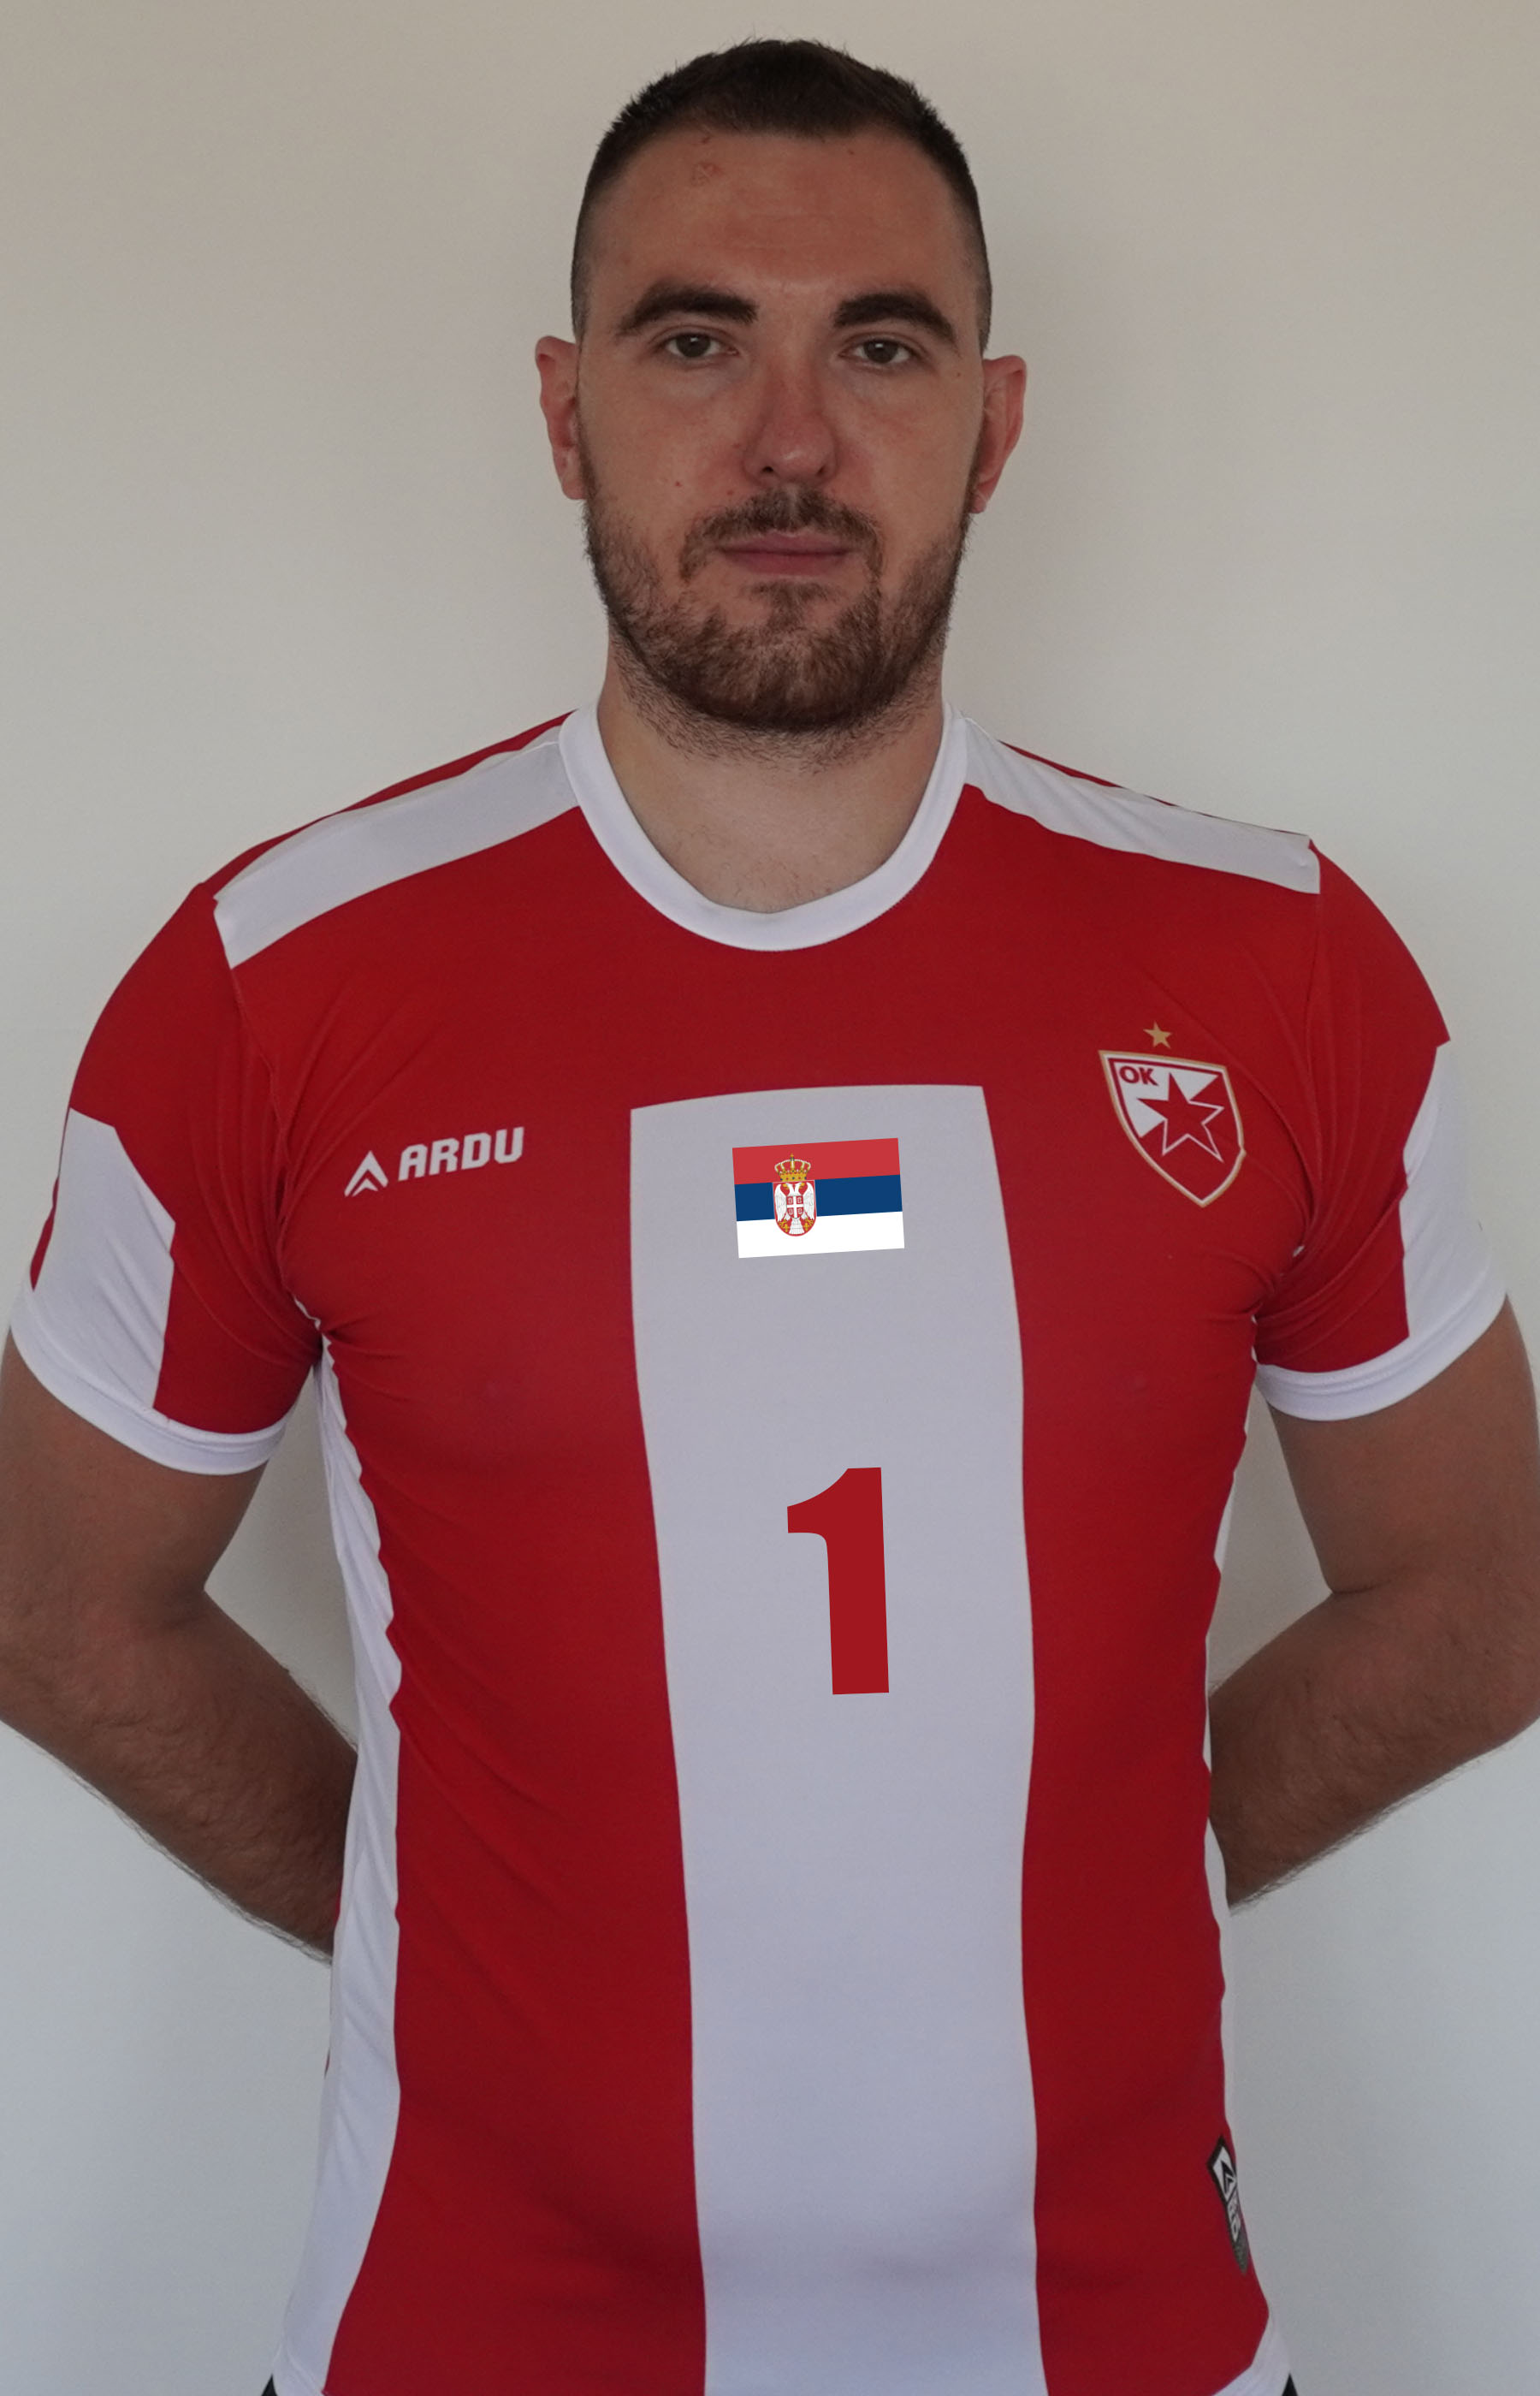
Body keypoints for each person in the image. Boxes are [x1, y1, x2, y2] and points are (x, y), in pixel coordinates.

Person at [1, 37, 1536, 2396]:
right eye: (697, 340)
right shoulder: (272, 985)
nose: (790, 441)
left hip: (1122, 2337)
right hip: (462, 2340)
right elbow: (54, 1603)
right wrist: (454, 1921)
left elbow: (1480, 1594)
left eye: (882, 348)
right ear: (563, 410)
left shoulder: (1285, 971)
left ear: (996, 427)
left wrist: (1093, 1873)